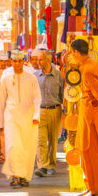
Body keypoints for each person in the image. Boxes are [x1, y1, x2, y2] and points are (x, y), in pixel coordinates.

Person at [70, 38, 98, 196]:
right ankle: (91, 188)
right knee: (87, 152)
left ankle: (95, 191)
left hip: (91, 116)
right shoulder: (92, 65)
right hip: (90, 113)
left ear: (75, 52)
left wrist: (94, 103)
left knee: (91, 153)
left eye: (72, 53)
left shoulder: (87, 69)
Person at [0, 50, 42, 188]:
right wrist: (0, 122)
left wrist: (36, 116)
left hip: (28, 117)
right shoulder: (6, 78)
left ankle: (24, 176)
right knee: (13, 145)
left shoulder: (31, 78)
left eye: (19, 61)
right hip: (11, 116)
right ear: (11, 61)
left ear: (23, 61)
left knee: (27, 147)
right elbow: (1, 101)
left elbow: (37, 98)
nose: (17, 64)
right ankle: (15, 175)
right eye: (14, 61)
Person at [34, 49, 64, 177]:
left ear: (48, 60)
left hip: (55, 110)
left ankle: (51, 164)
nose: (38, 62)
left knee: (53, 140)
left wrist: (66, 111)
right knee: (41, 140)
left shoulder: (58, 75)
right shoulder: (35, 76)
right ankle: (42, 166)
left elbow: (63, 94)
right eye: (37, 59)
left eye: (40, 59)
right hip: (40, 111)